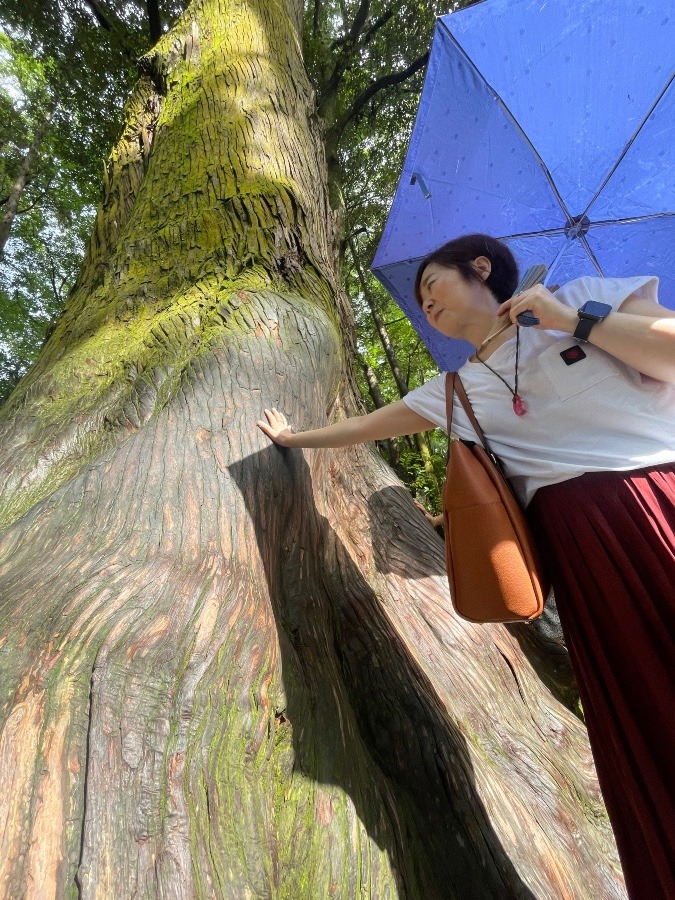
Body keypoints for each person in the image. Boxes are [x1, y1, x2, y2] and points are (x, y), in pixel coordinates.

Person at [257, 233, 675, 899]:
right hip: (585, 555)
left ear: (480, 270)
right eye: (420, 302)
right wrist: (290, 439)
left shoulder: (580, 298)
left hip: (660, 494)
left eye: (435, 287)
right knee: (649, 705)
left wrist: (569, 321)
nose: (427, 305)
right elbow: (367, 425)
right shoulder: (457, 392)